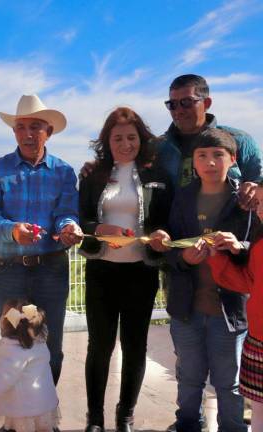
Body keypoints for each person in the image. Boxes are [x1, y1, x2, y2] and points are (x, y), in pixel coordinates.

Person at [78, 107, 173, 432]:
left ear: (140, 138)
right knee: (99, 347)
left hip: (140, 272)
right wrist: (99, 228)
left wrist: (162, 235)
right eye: (117, 137)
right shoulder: (93, 174)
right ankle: (95, 419)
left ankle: (125, 416)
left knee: (135, 346)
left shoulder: (155, 173)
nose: (125, 143)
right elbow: (82, 220)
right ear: (107, 140)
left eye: (131, 136)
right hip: (102, 271)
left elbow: (165, 220)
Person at [0, 94, 83, 385]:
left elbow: (66, 213)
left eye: (35, 126)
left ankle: (44, 416)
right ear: (14, 131)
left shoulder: (63, 172)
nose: (27, 133)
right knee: (14, 343)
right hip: (8, 272)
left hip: (51, 271)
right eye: (21, 126)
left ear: (48, 131)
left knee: (51, 348)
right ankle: (16, 420)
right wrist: (12, 231)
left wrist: (68, 227)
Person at [164, 128, 257, 432]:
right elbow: (170, 249)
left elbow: (255, 251)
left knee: (228, 383)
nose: (210, 162)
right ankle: (188, 425)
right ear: (194, 162)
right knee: (188, 378)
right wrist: (184, 258)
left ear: (232, 159)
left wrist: (238, 247)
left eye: (218, 155)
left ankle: (232, 428)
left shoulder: (244, 201)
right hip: (187, 307)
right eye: (202, 156)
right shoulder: (183, 198)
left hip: (228, 310)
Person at [157, 74, 262, 207]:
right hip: (174, 226)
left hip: (231, 226)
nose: (179, 110)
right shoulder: (158, 147)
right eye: (172, 104)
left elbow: (259, 181)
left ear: (206, 103)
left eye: (186, 102)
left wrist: (255, 187)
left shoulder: (239, 140)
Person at [207, 187, 263, 431]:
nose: (259, 209)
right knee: (259, 409)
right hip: (259, 338)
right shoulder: (260, 244)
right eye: (259, 202)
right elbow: (247, 281)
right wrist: (218, 256)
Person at [0, 300, 59, 432]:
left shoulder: (12, 350)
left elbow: (5, 378)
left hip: (23, 408)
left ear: (7, 323)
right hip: (43, 404)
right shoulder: (40, 341)